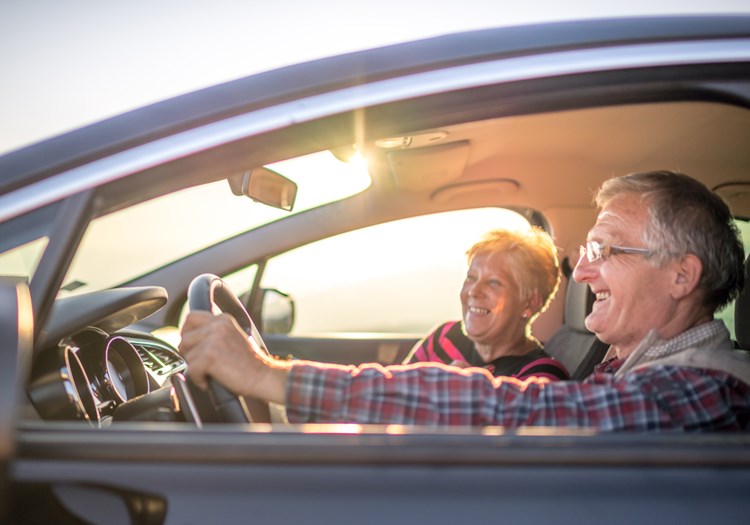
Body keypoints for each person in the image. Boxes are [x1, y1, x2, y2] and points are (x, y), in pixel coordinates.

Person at [179, 170, 750, 431]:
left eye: (607, 248)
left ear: (682, 277)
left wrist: (268, 376)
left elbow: (518, 412)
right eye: (587, 247)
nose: (586, 268)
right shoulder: (630, 365)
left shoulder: (706, 387)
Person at [404, 228, 569, 381]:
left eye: (493, 282)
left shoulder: (542, 375)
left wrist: (464, 389)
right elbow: (395, 393)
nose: (473, 291)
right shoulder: (444, 337)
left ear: (529, 304)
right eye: (471, 278)